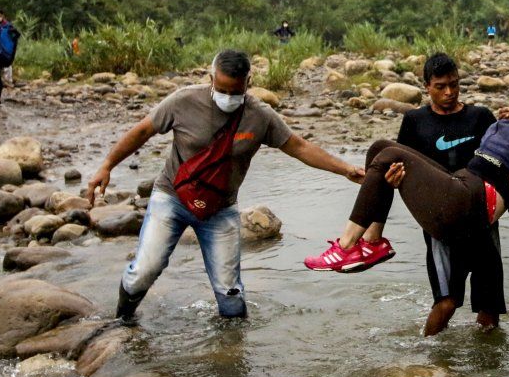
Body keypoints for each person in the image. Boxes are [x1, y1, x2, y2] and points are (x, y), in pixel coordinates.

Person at [87, 49, 365, 322]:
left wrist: (345, 169)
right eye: (222, 89)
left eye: (236, 92)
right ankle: (121, 323)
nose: (228, 97)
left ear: (248, 83)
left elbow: (299, 147)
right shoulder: (182, 101)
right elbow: (142, 131)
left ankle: (231, 352)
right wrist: (107, 165)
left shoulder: (260, 116)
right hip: (172, 198)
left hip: (220, 210)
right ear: (211, 78)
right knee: (145, 271)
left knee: (230, 294)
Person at [305, 69, 509, 336]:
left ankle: (347, 246)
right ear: (427, 87)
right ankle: (372, 241)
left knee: (487, 303)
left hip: (474, 198)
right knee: (380, 148)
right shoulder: (508, 118)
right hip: (459, 188)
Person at [396, 53, 501, 334]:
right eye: (441, 86)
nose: (449, 92)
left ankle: (488, 369)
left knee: (489, 306)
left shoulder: (481, 117)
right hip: (440, 223)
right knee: (446, 302)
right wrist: (394, 180)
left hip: (482, 219)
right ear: (426, 86)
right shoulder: (414, 121)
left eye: (454, 84)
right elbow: (404, 169)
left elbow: (501, 161)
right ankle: (425, 357)